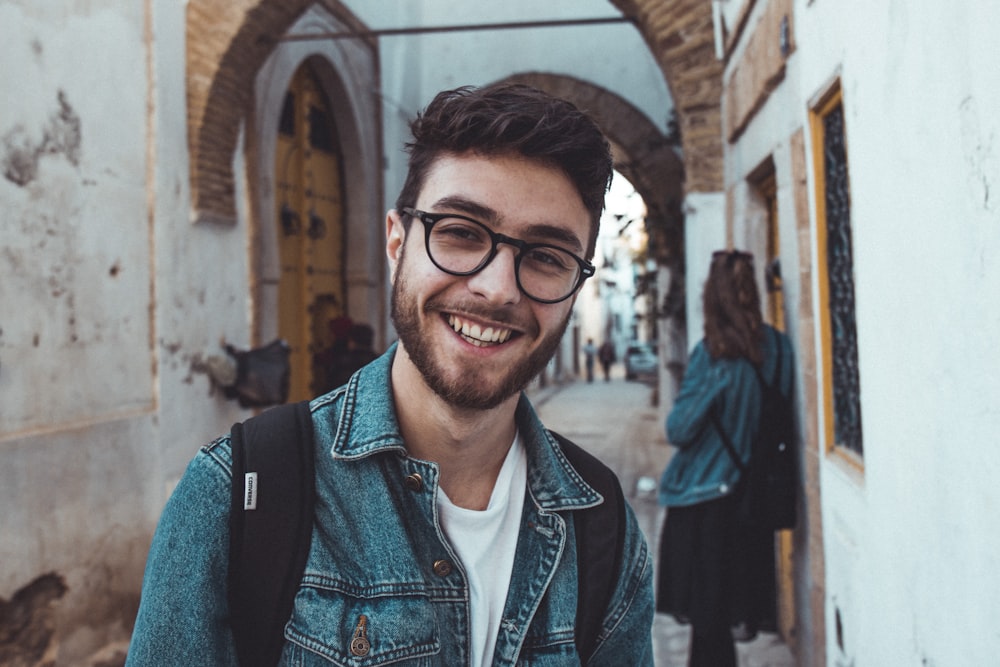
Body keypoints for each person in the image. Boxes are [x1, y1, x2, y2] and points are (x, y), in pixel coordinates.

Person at [127, 83, 654, 666]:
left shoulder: (602, 527)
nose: (497, 288)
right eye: (460, 232)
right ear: (397, 242)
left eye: (547, 257)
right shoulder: (236, 496)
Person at [655, 249, 794, 667]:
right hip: (750, 502)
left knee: (707, 624)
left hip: (704, 503)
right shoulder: (780, 350)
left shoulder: (712, 354)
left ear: (711, 298)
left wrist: (712, 392)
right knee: (720, 621)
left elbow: (678, 430)